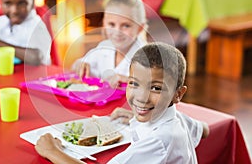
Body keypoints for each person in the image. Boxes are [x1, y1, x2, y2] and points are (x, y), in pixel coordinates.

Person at [35, 42, 210, 164]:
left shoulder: (161, 140)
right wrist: (138, 114)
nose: (141, 97)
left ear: (178, 95)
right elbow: (204, 129)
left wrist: (52, 151)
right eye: (134, 83)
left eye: (156, 88)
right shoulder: (176, 119)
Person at [72, 0, 147, 87]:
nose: (117, 32)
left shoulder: (147, 56)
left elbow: (156, 87)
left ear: (140, 28)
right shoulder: (104, 47)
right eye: (111, 24)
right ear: (104, 23)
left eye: (126, 25)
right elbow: (77, 65)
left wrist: (129, 81)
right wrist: (80, 64)